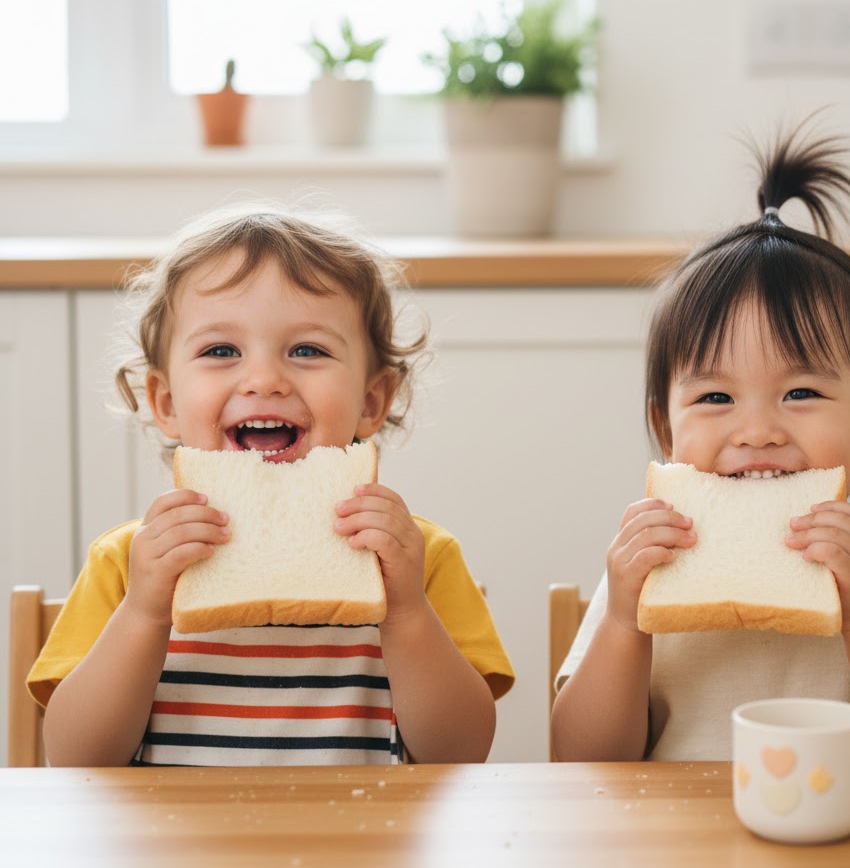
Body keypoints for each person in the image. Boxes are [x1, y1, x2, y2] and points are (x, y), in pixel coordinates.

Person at [550, 122, 850, 761]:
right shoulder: (646, 572)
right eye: (714, 398)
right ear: (665, 431)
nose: (757, 431)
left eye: (801, 393)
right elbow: (582, 760)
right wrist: (625, 621)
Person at [29, 204, 514, 766]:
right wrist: (142, 612)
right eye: (221, 351)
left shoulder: (419, 557)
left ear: (372, 400)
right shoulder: (127, 563)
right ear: (165, 402)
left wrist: (405, 610)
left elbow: (460, 755)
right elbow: (75, 761)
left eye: (307, 350)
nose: (264, 379)